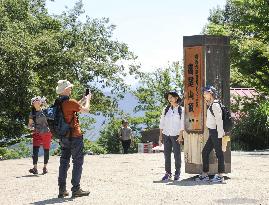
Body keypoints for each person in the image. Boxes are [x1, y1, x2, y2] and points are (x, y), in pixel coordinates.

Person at [56, 80, 91, 198]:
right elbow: (85, 110)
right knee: (77, 161)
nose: (71, 89)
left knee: (64, 162)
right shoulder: (70, 102)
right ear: (65, 90)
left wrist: (83, 99)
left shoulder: (58, 102)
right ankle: (76, 189)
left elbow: (75, 107)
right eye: (69, 88)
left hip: (63, 137)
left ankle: (62, 190)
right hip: (75, 136)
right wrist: (89, 100)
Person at [195, 85, 225, 183]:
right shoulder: (211, 104)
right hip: (213, 132)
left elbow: (219, 121)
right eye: (203, 93)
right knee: (205, 152)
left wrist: (220, 136)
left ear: (211, 93)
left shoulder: (215, 105)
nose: (204, 95)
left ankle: (220, 176)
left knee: (219, 153)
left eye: (205, 93)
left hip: (216, 132)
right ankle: (205, 174)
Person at [159, 91, 184, 181]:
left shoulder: (181, 110)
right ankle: (168, 173)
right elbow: (162, 123)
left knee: (177, 155)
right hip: (166, 134)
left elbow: (182, 124)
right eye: (168, 98)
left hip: (176, 135)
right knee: (167, 155)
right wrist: (160, 136)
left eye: (171, 97)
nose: (169, 99)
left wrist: (180, 136)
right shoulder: (165, 109)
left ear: (176, 98)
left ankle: (177, 173)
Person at [28, 96, 52, 175]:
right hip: (37, 133)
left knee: (46, 150)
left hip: (46, 132)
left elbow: (51, 119)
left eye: (38, 100)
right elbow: (29, 125)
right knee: (35, 150)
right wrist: (31, 127)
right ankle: (35, 168)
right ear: (33, 104)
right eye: (35, 100)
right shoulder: (32, 113)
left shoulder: (45, 110)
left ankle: (45, 167)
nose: (37, 101)